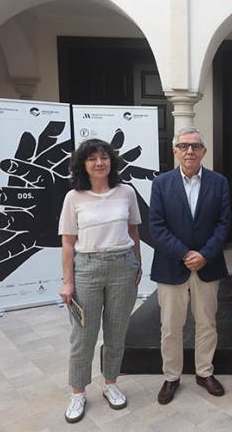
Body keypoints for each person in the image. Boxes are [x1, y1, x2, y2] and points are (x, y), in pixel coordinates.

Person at [58, 139, 142, 423]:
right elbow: (68, 243)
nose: (99, 163)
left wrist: (137, 263)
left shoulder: (126, 192)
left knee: (117, 332)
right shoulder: (74, 197)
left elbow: (133, 231)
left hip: (122, 266)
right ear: (83, 164)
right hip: (87, 270)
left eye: (104, 157)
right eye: (92, 158)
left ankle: (111, 383)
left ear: (111, 161)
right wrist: (67, 281)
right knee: (83, 336)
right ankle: (78, 392)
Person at [149, 126, 230, 405]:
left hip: (207, 266)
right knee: (170, 326)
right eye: (183, 146)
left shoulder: (219, 182)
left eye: (195, 146)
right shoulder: (161, 183)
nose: (190, 151)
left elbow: (223, 225)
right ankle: (171, 377)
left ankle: (204, 372)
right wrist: (185, 253)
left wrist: (205, 254)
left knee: (207, 323)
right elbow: (156, 227)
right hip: (172, 266)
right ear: (175, 151)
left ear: (204, 151)